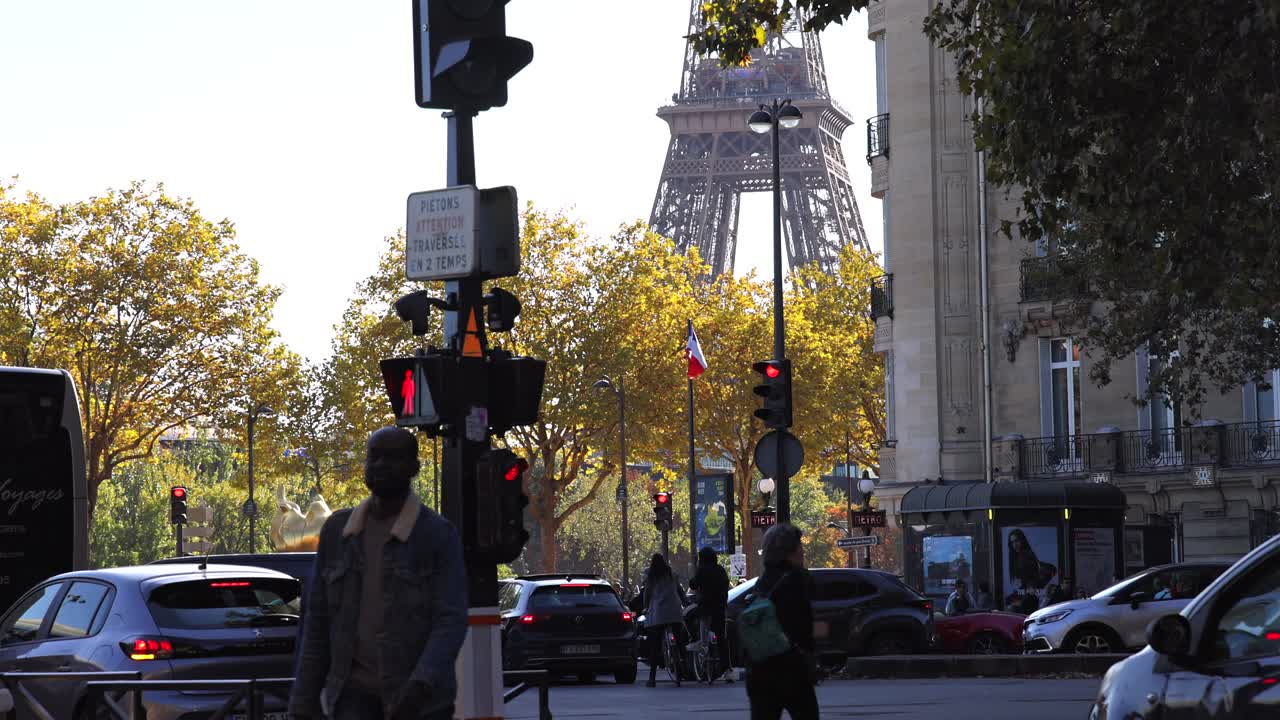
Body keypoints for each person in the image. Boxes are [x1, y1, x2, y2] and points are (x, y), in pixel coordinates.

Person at [290, 427, 467, 720]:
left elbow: (450, 620)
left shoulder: (437, 534)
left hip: (420, 705)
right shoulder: (337, 531)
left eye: (393, 458)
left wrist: (421, 684)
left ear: (414, 468)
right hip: (352, 698)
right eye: (375, 457)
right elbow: (317, 621)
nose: (381, 465)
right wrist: (303, 701)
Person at [745, 524, 818, 720]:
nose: (802, 551)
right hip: (791, 670)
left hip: (760, 671)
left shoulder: (762, 582)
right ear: (789, 553)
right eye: (798, 547)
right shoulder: (797, 579)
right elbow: (804, 626)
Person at [642, 553, 687, 687]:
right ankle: (684, 665)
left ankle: (652, 679)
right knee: (680, 641)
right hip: (674, 611)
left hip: (659, 613)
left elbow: (647, 593)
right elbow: (680, 590)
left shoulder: (652, 576)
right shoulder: (672, 575)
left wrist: (645, 607)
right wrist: (684, 603)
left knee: (655, 647)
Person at [688, 546, 732, 680]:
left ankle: (697, 641)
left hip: (705, 608)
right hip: (719, 608)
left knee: (689, 616)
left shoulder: (702, 570)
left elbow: (693, 584)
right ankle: (727, 669)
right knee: (721, 638)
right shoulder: (720, 570)